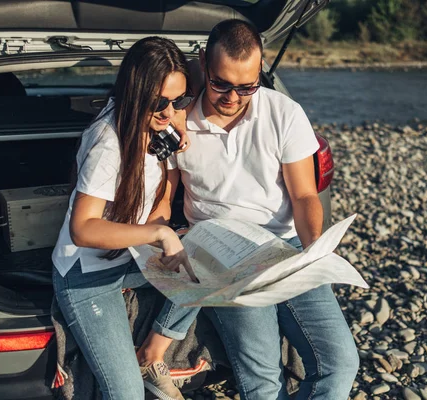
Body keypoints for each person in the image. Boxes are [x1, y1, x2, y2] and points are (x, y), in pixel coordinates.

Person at [158, 19, 360, 400]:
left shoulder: (284, 112)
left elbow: (304, 196)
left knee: (341, 363)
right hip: (222, 259)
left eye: (246, 87)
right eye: (220, 83)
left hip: (287, 249)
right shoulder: (177, 123)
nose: (232, 97)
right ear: (203, 63)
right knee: (263, 383)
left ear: (260, 72)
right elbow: (161, 203)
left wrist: (314, 250)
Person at [51, 36, 197, 400]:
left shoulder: (158, 124)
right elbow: (83, 228)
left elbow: (163, 190)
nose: (168, 112)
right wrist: (159, 235)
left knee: (208, 269)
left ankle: (152, 356)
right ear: (135, 95)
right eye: (159, 103)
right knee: (127, 394)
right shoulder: (107, 142)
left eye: (178, 99)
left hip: (129, 259)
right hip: (87, 276)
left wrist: (178, 122)